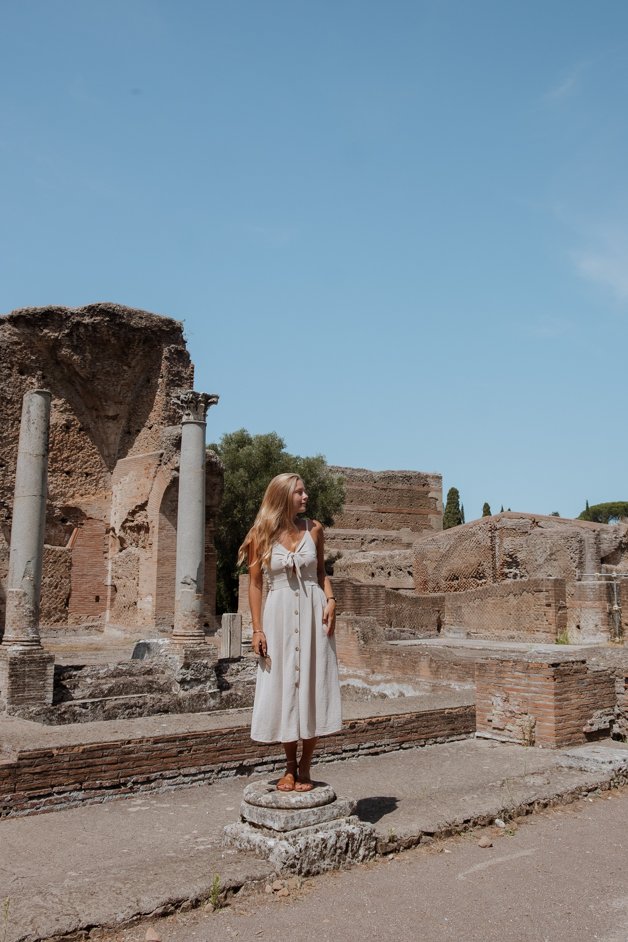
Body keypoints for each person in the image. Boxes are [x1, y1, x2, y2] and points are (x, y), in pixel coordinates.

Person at [238, 472, 342, 791]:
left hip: (314, 612)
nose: (305, 496)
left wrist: (331, 600)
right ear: (284, 496)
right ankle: (288, 766)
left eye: (305, 491)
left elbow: (322, 572)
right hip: (278, 614)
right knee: (284, 685)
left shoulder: (315, 530)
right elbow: (256, 584)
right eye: (299, 492)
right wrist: (257, 629)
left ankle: (306, 767)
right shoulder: (261, 534)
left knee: (312, 684)